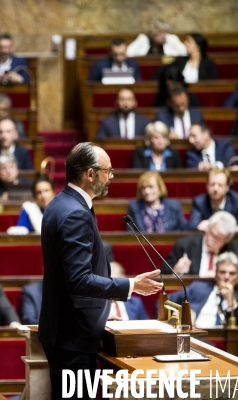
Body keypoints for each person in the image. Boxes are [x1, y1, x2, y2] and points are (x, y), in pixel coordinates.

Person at [39, 142, 163, 400]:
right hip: (73, 338)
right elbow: (79, 280)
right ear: (91, 174)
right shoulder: (75, 213)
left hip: (66, 332)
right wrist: (130, 285)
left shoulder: (59, 204)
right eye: (108, 171)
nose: (111, 177)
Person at [165, 252, 238, 334]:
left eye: (232, 273)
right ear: (215, 275)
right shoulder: (198, 288)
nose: (226, 277)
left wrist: (232, 304)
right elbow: (165, 302)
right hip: (193, 335)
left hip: (218, 341)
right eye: (222, 272)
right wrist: (180, 317)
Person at [162, 211, 238, 289]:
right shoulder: (184, 245)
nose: (213, 240)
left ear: (227, 240)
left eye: (220, 239)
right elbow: (163, 274)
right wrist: (175, 270)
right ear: (208, 228)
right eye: (213, 234)